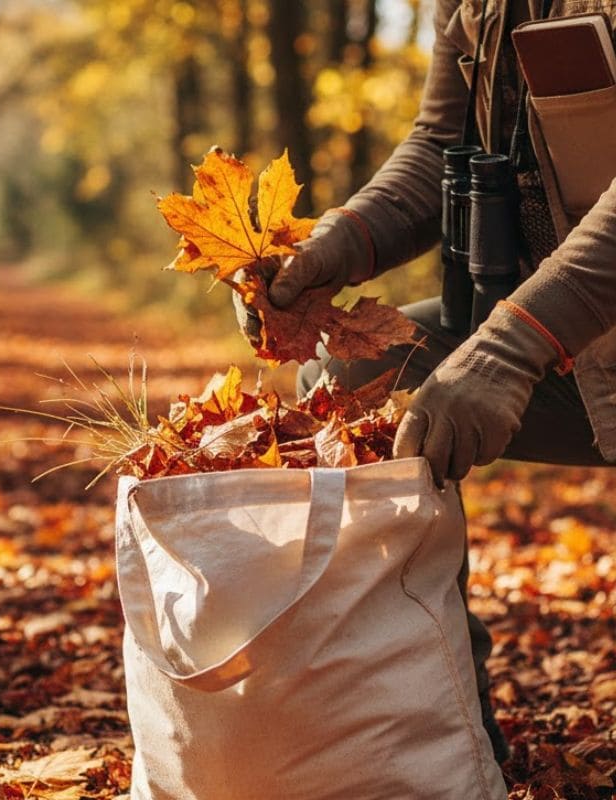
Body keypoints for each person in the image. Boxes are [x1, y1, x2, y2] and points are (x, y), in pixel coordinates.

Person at [246, 0, 616, 764]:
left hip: (555, 330)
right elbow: (440, 141)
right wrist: (336, 245)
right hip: (584, 353)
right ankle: (443, 739)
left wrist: (512, 347)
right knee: (350, 378)